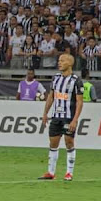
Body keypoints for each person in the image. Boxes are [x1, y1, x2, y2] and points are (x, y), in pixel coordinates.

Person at [39, 54, 83, 182]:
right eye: (58, 61)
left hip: (68, 118)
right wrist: (45, 113)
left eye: (62, 61)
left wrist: (75, 120)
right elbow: (51, 97)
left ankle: (69, 172)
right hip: (56, 117)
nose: (59, 63)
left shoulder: (76, 80)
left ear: (70, 63)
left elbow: (80, 102)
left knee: (69, 142)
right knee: (53, 143)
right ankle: (51, 172)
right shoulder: (56, 78)